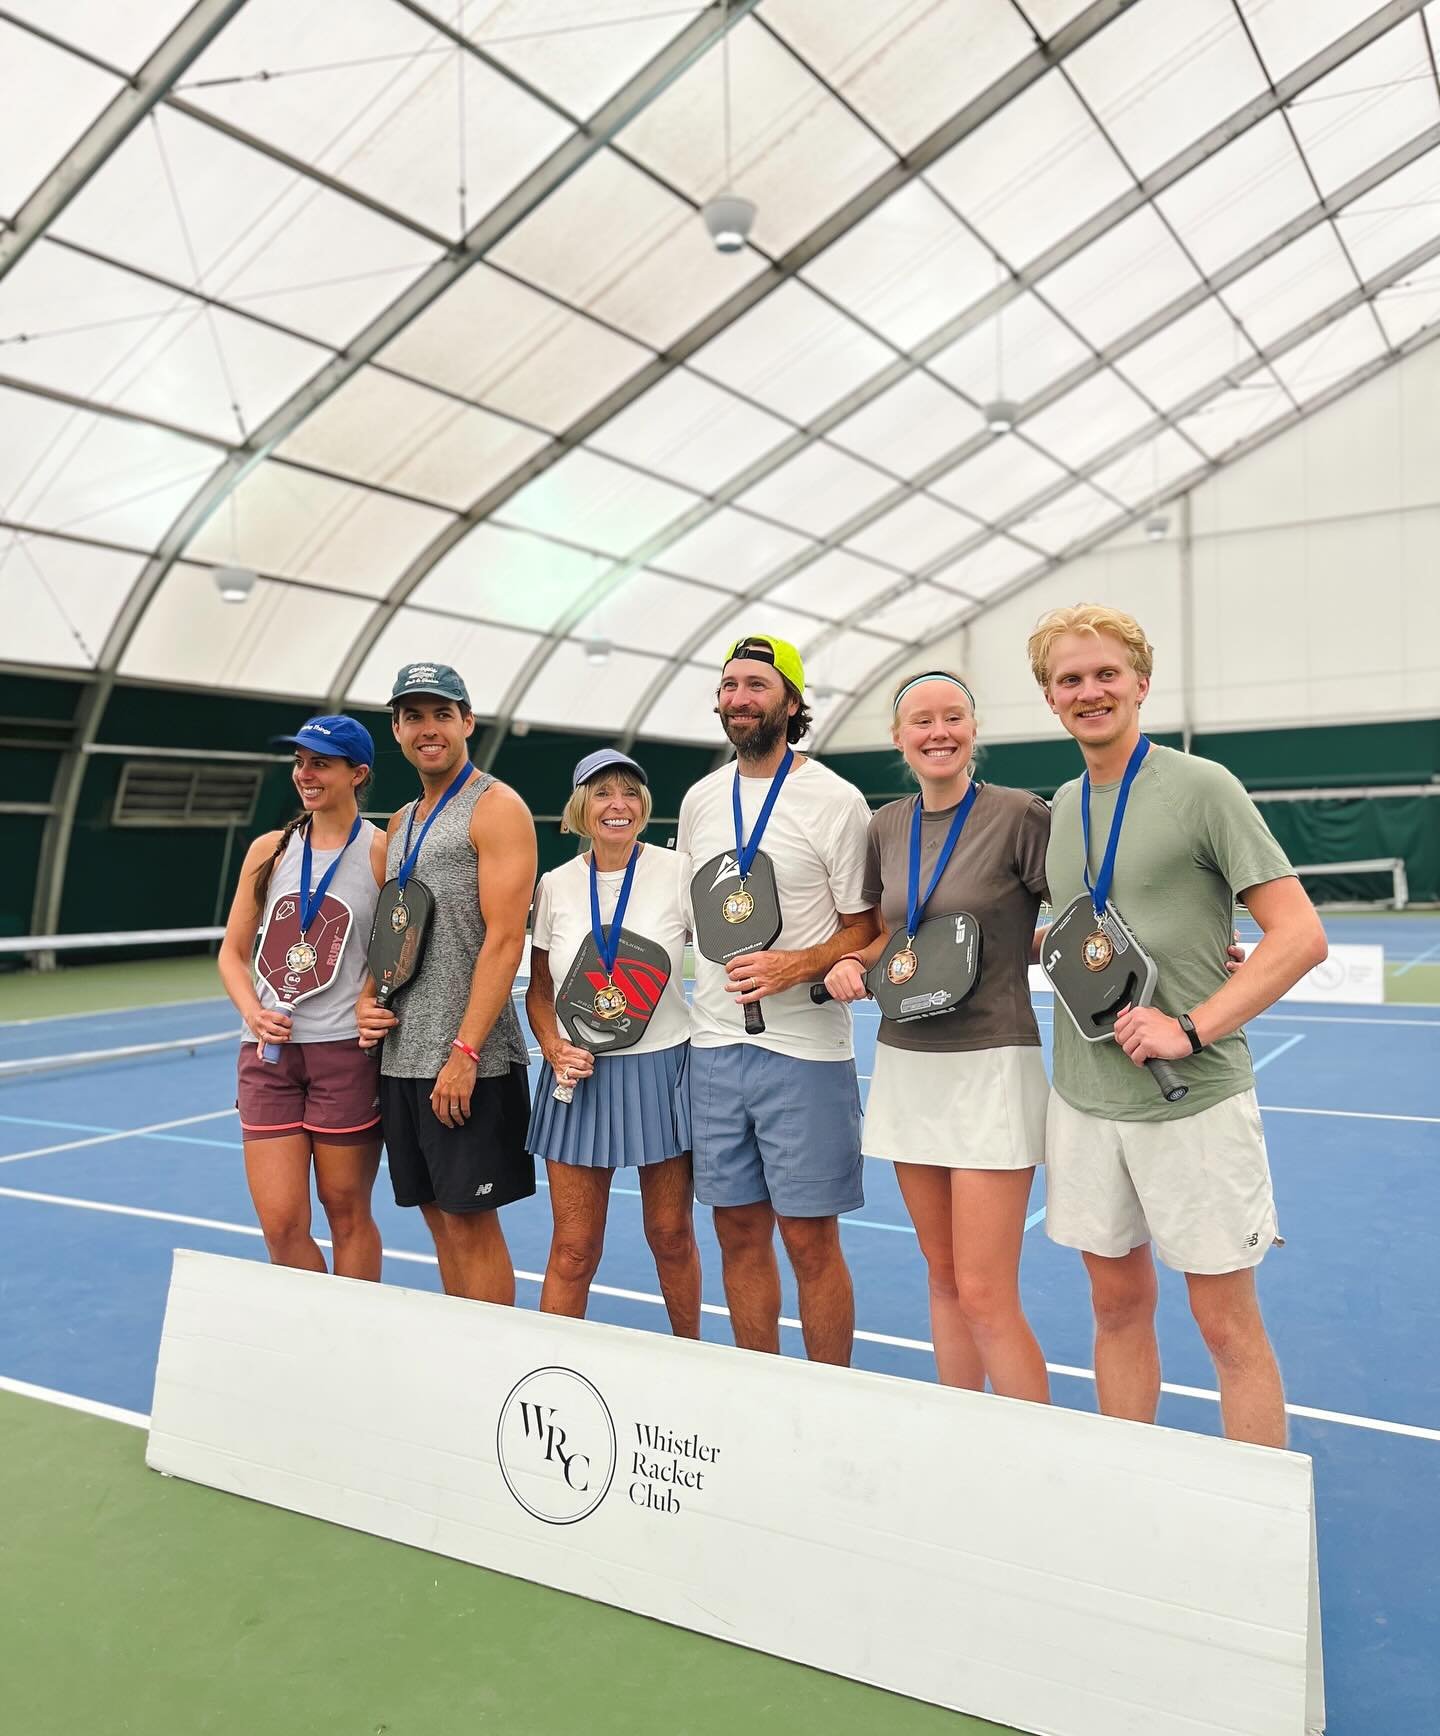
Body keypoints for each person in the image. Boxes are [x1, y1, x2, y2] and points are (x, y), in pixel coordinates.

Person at [1028, 604, 1327, 1446]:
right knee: (1115, 1308)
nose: (1090, 691)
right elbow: (1097, 924)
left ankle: (1254, 1535)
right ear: (1052, 700)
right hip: (1086, 1103)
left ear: (1140, 684)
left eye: (1105, 674)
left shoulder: (1204, 787)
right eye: (1070, 679)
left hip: (1191, 1101)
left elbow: (1300, 936)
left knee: (1226, 1327)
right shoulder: (1061, 805)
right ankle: (1135, 1494)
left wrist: (1188, 1027)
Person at [823, 672, 1050, 1403]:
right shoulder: (884, 824)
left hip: (990, 1064)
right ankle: (965, 1437)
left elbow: (1086, 912)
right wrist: (849, 965)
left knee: (986, 1291)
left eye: (953, 718)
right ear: (899, 738)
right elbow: (891, 932)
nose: (938, 732)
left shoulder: (1019, 815)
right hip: (907, 1061)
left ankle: (1040, 1461)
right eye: (921, 721)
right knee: (944, 1278)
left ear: (974, 728)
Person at [678, 634, 879, 1366]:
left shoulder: (835, 801)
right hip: (714, 1049)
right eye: (729, 685)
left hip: (805, 1054)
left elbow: (868, 926)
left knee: (808, 1238)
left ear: (791, 704)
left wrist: (801, 964)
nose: (739, 699)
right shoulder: (701, 798)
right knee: (735, 1230)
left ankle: (827, 1395)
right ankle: (754, 1386)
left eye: (757, 685)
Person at [357, 662, 537, 1303]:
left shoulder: (496, 807)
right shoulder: (400, 822)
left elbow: (505, 940)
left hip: (468, 1060)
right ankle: (467, 1356)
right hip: (403, 1054)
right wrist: (365, 1000)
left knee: (469, 1223)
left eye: (440, 714)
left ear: (467, 721)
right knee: (438, 1219)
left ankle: (495, 1369)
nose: (426, 728)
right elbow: (392, 929)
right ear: (398, 731)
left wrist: (463, 1053)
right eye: (412, 717)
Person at [524, 749, 701, 1334]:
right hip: (578, 1078)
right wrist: (552, 1046)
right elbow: (540, 990)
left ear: (644, 808)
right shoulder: (555, 885)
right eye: (602, 793)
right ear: (581, 807)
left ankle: (690, 1356)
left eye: (629, 793)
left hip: (663, 1073)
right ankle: (551, 1368)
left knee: (672, 1238)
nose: (617, 805)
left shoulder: (680, 873)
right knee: (574, 1247)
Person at [218, 714, 386, 1280]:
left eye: (321, 763)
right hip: (266, 1057)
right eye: (300, 762)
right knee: (282, 1227)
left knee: (347, 1213)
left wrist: (371, 998)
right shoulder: (270, 849)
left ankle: (353, 1342)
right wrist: (253, 1014)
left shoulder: (383, 852)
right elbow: (232, 953)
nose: (305, 774)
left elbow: (398, 952)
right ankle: (319, 1336)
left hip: (345, 1055)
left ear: (357, 773)